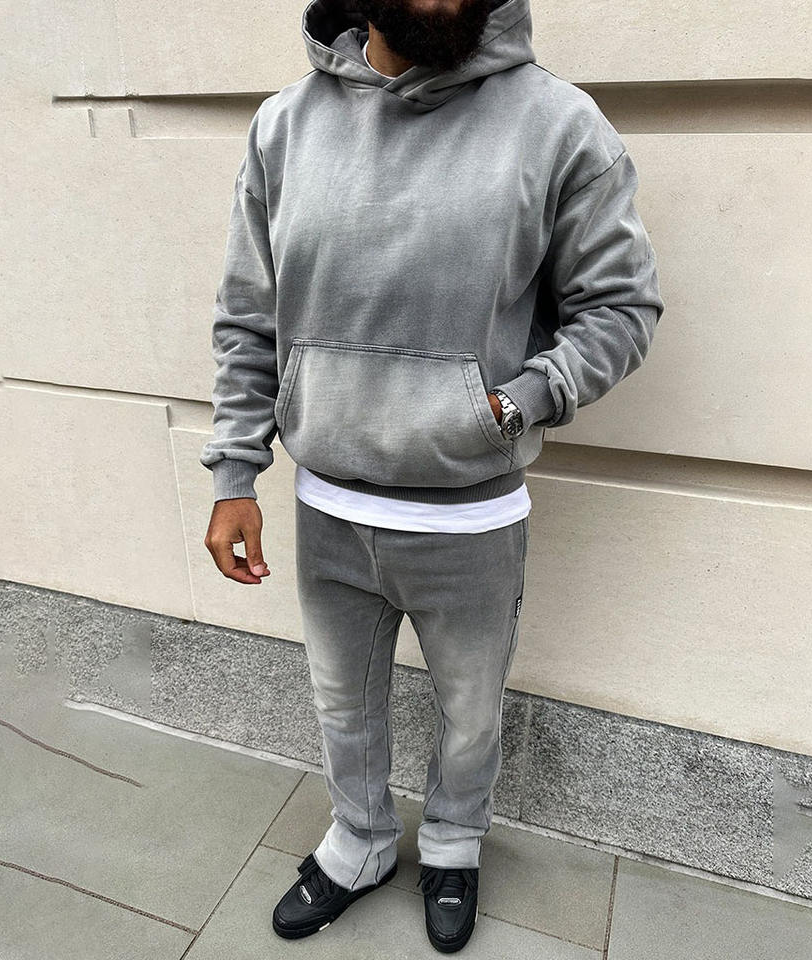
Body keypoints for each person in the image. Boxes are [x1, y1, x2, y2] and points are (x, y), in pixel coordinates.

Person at [200, 0, 665, 951]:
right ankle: (360, 842)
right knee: (343, 706)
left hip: (470, 520)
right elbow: (249, 316)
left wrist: (519, 402)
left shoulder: (557, 125)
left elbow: (621, 308)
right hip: (327, 507)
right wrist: (234, 473)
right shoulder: (285, 126)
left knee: (470, 714)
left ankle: (453, 845)